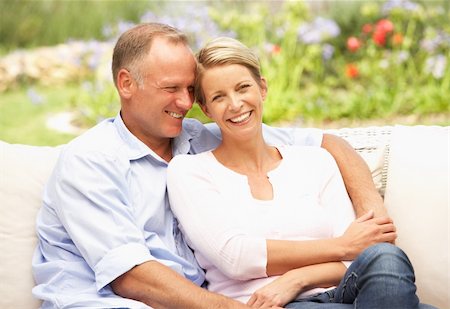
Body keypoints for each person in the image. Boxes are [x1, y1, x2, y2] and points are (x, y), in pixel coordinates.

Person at [33, 23, 390, 308]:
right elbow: (132, 277)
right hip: (108, 303)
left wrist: (372, 227)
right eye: (171, 88)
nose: (186, 102)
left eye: (191, 89)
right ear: (126, 83)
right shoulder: (89, 161)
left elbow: (330, 143)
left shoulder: (202, 138)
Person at [166, 37, 434, 308]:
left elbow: (360, 252)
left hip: (348, 293)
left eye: (243, 88)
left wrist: (295, 279)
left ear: (262, 88)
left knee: (385, 258)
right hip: (274, 305)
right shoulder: (190, 171)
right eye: (218, 97)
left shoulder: (315, 161)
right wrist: (342, 245)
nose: (235, 104)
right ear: (206, 109)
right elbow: (236, 258)